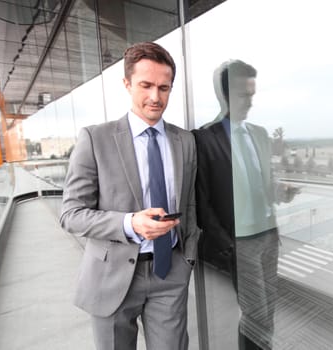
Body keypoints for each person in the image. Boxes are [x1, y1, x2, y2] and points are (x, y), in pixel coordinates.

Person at [59, 41, 198, 350]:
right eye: (145, 85)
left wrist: (187, 257)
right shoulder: (95, 139)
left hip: (170, 272)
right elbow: (70, 214)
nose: (155, 97)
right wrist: (129, 223)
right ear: (126, 84)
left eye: (164, 88)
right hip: (112, 274)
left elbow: (189, 203)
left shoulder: (185, 141)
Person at [193, 60, 299, 350]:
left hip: (268, 238)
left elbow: (264, 182)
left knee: (268, 311)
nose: (250, 102)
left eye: (253, 94)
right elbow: (202, 202)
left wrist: (281, 190)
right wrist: (228, 246)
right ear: (224, 95)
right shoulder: (203, 139)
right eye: (243, 95)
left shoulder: (260, 135)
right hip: (240, 243)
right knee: (256, 314)